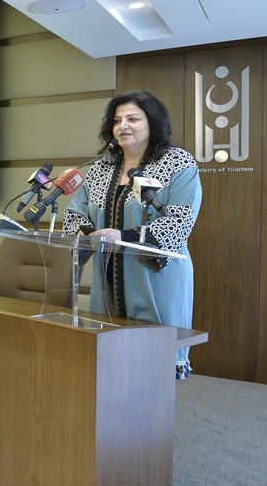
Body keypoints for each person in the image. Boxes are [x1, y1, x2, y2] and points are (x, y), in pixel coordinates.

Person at [63, 90, 202, 379]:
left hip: (156, 279)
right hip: (108, 278)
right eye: (117, 120)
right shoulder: (102, 167)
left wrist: (123, 236)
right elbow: (75, 213)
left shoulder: (178, 163)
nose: (122, 125)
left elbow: (178, 221)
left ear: (152, 123)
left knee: (152, 368)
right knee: (111, 366)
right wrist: (90, 233)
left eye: (133, 118)